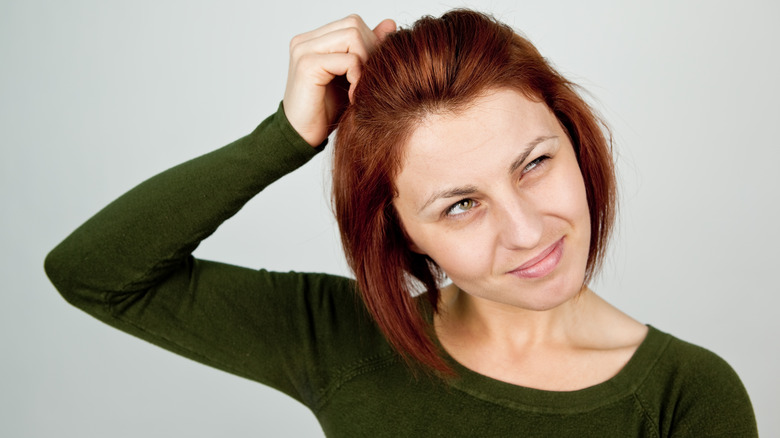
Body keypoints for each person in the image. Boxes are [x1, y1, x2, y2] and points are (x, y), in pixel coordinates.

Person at [45, 9, 757, 437]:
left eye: (535, 163)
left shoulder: (685, 397)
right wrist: (284, 137)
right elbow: (95, 275)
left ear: (575, 138)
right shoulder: (342, 339)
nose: (526, 229)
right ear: (401, 232)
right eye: (460, 204)